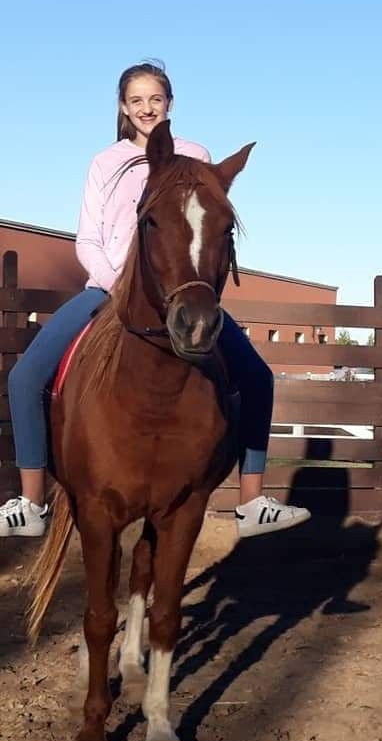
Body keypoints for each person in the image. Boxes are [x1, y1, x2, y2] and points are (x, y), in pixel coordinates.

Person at [0, 61, 311, 538]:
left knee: (257, 376)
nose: (147, 108)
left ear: (169, 104)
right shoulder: (106, 162)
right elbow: (88, 238)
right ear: (124, 107)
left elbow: (202, 229)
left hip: (179, 292)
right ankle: (31, 500)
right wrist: (115, 284)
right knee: (25, 376)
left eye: (156, 99)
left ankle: (252, 501)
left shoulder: (194, 154)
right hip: (108, 288)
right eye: (137, 100)